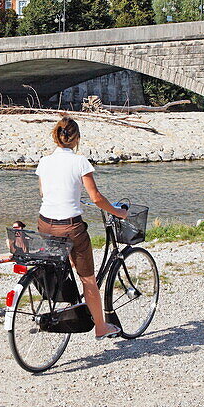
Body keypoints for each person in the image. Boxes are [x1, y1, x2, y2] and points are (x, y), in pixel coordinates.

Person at [35, 116, 128, 340]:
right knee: (88, 278)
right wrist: (118, 212)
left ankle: (66, 306)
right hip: (70, 227)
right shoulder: (80, 162)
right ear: (76, 139)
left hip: (45, 224)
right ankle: (101, 327)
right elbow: (96, 198)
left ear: (55, 137)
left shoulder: (44, 161)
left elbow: (44, 194)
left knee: (58, 265)